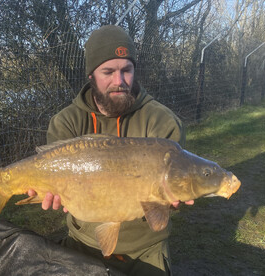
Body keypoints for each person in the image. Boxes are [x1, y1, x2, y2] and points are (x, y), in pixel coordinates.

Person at [28, 25, 193, 275]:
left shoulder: (162, 121)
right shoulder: (66, 122)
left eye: (127, 70)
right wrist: (49, 193)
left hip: (145, 247)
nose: (119, 82)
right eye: (108, 71)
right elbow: (51, 182)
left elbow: (171, 192)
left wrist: (172, 199)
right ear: (91, 75)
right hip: (83, 241)